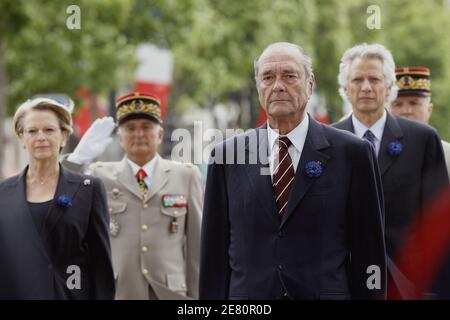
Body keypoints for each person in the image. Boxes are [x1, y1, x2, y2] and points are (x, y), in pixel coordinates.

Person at [199, 42, 386, 300]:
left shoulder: (352, 154)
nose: (278, 85)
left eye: (289, 75)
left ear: (310, 84)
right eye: (268, 77)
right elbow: (213, 260)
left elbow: (370, 254)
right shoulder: (225, 157)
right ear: (258, 88)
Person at [333, 44, 449, 299]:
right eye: (357, 79)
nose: (366, 87)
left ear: (388, 87)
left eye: (374, 79)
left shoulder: (422, 139)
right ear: (345, 88)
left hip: (408, 284)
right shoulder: (326, 142)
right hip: (343, 284)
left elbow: (438, 223)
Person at [63, 92, 203, 300]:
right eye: (130, 128)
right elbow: (64, 194)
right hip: (119, 292)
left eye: (146, 127)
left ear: (159, 134)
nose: (138, 134)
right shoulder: (99, 175)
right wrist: (77, 159)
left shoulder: (186, 176)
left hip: (171, 293)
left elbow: (197, 248)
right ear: (120, 138)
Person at [0, 97, 115, 299]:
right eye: (32, 131)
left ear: (64, 136)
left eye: (49, 130)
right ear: (21, 137)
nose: (41, 137)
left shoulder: (89, 190)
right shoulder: (4, 193)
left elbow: (101, 266)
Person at [390, 67, 450, 178]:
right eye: (397, 104)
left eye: (414, 103)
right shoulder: (374, 152)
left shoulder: (447, 155)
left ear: (429, 110)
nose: (406, 111)